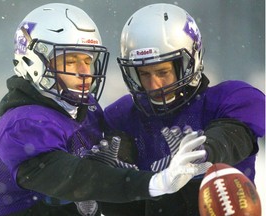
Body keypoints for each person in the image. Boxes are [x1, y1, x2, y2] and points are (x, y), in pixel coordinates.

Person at [0, 3, 212, 216]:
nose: (85, 72)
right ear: (33, 62)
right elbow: (73, 178)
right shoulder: (23, 123)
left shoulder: (85, 110)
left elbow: (108, 171)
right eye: (70, 61)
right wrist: (152, 182)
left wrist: (158, 164)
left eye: (88, 60)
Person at [102, 3, 265, 216]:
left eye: (162, 72)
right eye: (144, 74)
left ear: (190, 61)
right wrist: (109, 176)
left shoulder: (228, 99)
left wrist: (202, 151)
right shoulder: (122, 116)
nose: (154, 85)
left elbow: (233, 136)